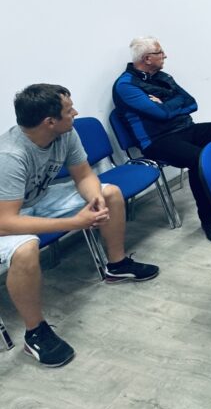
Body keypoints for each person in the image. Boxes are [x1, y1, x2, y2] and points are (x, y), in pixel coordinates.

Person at [0, 84, 159, 367]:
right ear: (49, 122)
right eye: (68, 110)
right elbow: (6, 221)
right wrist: (75, 221)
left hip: (35, 199)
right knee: (26, 248)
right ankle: (35, 333)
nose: (75, 112)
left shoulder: (65, 133)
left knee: (110, 193)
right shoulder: (10, 156)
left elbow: (84, 175)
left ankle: (117, 266)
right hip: (6, 215)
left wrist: (94, 196)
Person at [112, 36, 211, 244]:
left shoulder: (162, 76)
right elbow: (160, 114)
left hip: (185, 128)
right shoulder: (125, 86)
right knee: (199, 159)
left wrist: (165, 103)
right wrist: (170, 104)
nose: (165, 55)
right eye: (160, 52)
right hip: (157, 141)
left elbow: (191, 102)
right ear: (147, 58)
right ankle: (208, 220)